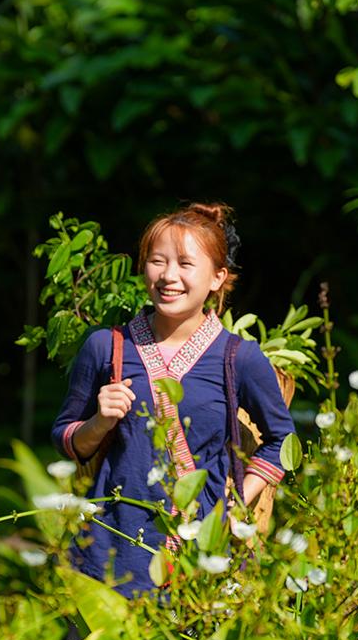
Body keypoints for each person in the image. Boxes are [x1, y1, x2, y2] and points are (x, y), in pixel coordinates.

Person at [51, 203, 294, 599]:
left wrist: (232, 508)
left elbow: (282, 440)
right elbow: (65, 437)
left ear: (218, 277)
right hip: (109, 547)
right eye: (157, 261)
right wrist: (99, 422)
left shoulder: (239, 358)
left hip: (202, 553)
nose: (168, 276)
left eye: (185, 264)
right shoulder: (106, 346)